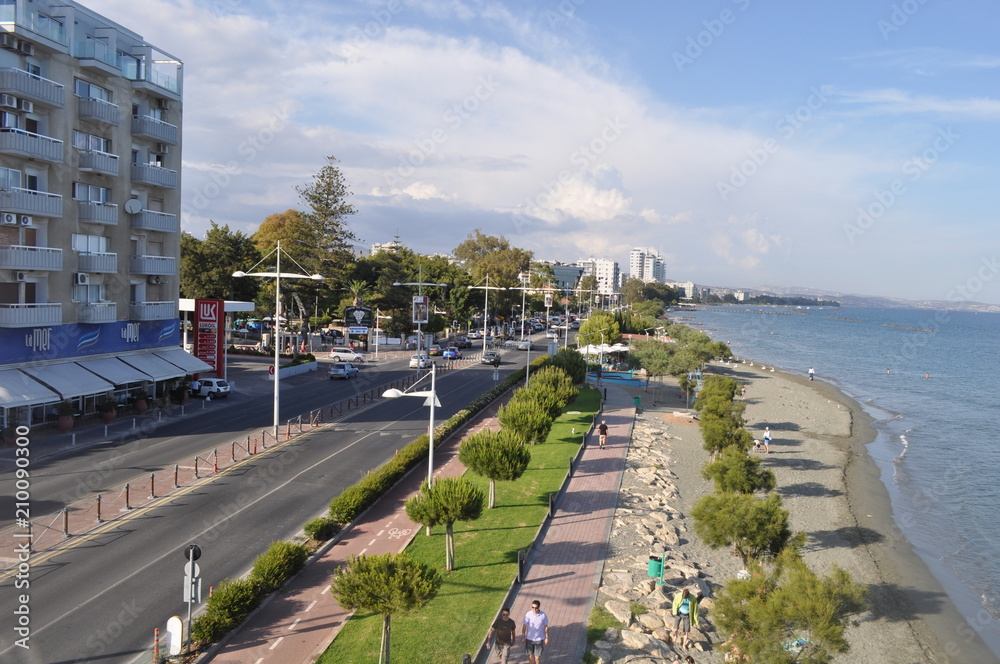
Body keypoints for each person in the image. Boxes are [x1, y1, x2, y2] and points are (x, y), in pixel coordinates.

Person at [522, 600, 549, 664]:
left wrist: (547, 637)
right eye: (532, 607)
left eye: (536, 608)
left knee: (537, 657)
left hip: (539, 639)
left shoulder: (543, 615)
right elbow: (524, 626)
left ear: (539, 607)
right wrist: (523, 637)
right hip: (529, 639)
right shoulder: (528, 614)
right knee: (531, 656)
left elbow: (546, 626)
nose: (534, 609)